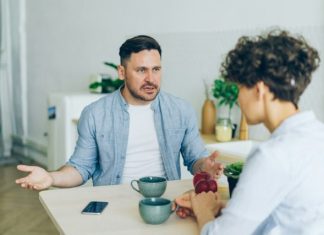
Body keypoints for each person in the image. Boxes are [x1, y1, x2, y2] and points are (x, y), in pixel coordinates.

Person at [16, 35, 223, 190]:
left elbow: (195, 159)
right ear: (122, 72)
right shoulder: (95, 114)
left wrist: (205, 166)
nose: (151, 79)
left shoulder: (180, 110)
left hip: (164, 204)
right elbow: (80, 168)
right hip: (112, 203)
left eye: (156, 69)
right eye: (141, 70)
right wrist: (51, 178)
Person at [174, 29, 324, 234]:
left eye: (239, 88)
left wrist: (203, 209)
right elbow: (291, 213)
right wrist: (225, 211)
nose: (237, 99)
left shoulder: (272, 155)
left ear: (259, 89)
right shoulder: (317, 135)